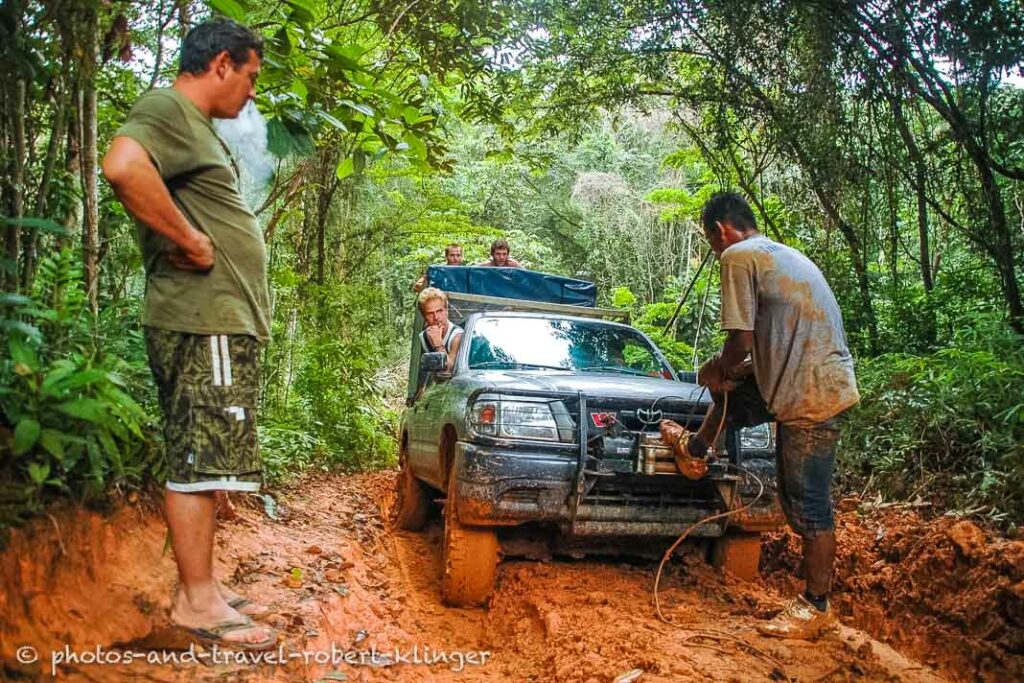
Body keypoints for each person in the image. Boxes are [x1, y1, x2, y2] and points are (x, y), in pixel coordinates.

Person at [101, 19, 277, 650]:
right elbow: (122, 166)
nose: (251, 93)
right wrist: (190, 238)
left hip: (215, 322)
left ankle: (203, 584)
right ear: (222, 63)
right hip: (201, 320)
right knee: (199, 462)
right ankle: (196, 602)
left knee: (207, 457)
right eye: (251, 76)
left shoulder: (191, 124)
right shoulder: (168, 106)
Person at [685, 191, 859, 639]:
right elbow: (765, 346)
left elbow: (740, 340)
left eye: (712, 243)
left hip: (809, 392)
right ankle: (696, 450)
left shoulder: (738, 256)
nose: (716, 251)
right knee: (730, 397)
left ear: (721, 231)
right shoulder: (780, 254)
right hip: (809, 378)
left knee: (808, 506)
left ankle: (816, 605)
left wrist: (713, 369)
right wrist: (728, 377)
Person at [418, 287, 463, 371]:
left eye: (439, 311)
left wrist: (438, 345)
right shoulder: (424, 337)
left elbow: (448, 372)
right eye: (430, 313)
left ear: (446, 310)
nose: (436, 317)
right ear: (424, 316)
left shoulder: (457, 336)